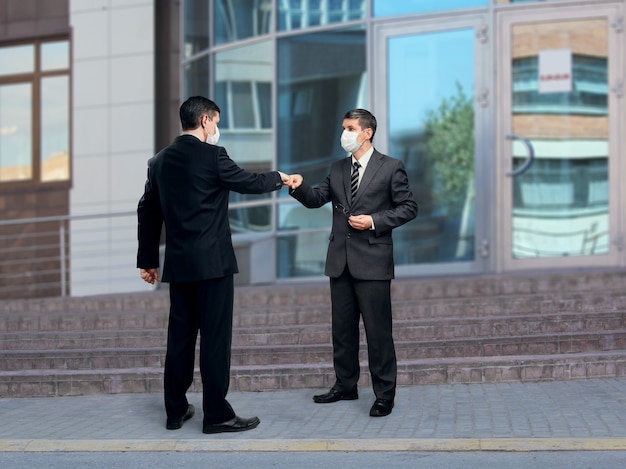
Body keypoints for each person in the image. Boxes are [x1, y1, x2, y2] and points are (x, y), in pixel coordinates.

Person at [137, 96, 290, 434]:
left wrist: (147, 261)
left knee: (180, 338)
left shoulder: (159, 162)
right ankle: (217, 415)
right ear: (205, 120)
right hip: (214, 266)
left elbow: (148, 211)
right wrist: (279, 177)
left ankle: (175, 411)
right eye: (216, 122)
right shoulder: (213, 156)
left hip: (179, 266)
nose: (217, 129)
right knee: (214, 340)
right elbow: (247, 182)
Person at [288, 108, 417, 417]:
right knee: (342, 331)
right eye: (343, 127)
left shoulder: (391, 167)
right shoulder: (337, 168)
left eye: (349, 128)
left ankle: (384, 394)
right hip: (340, 263)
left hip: (373, 262)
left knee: (377, 332)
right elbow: (316, 198)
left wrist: (374, 220)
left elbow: (409, 207)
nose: (344, 133)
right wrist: (297, 186)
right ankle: (345, 386)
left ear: (366, 132)